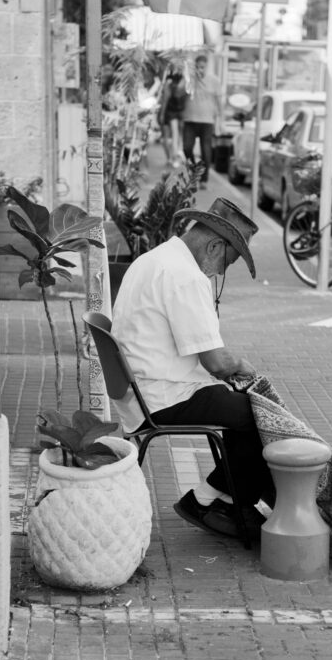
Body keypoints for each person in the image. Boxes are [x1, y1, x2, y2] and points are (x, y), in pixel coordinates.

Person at [111, 197, 273, 539]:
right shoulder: (185, 276)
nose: (218, 273)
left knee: (241, 410)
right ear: (215, 244)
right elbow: (215, 362)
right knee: (262, 416)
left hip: (142, 389)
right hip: (163, 395)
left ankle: (218, 498)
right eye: (226, 263)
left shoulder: (152, 260)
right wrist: (243, 366)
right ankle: (219, 503)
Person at [182, 54, 222, 188]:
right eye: (197, 67)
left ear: (207, 67)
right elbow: (179, 92)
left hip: (207, 121)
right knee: (187, 148)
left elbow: (219, 102)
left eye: (202, 67)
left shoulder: (214, 81)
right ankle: (194, 173)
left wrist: (219, 122)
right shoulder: (189, 80)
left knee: (206, 151)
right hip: (190, 119)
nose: (200, 70)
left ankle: (204, 179)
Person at [159, 71, 187, 167]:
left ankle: (173, 157)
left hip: (172, 112)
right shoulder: (184, 83)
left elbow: (165, 100)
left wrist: (162, 114)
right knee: (176, 135)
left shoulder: (170, 83)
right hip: (177, 112)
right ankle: (174, 157)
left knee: (173, 135)